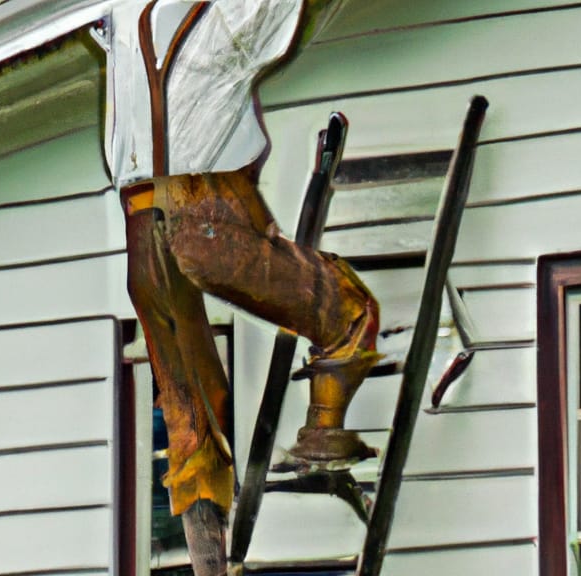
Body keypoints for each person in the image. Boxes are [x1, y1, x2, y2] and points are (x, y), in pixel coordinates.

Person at [100, 1, 379, 574]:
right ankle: (313, 440)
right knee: (342, 314)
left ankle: (346, 322)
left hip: (172, 190)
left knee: (205, 277)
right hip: (169, 193)